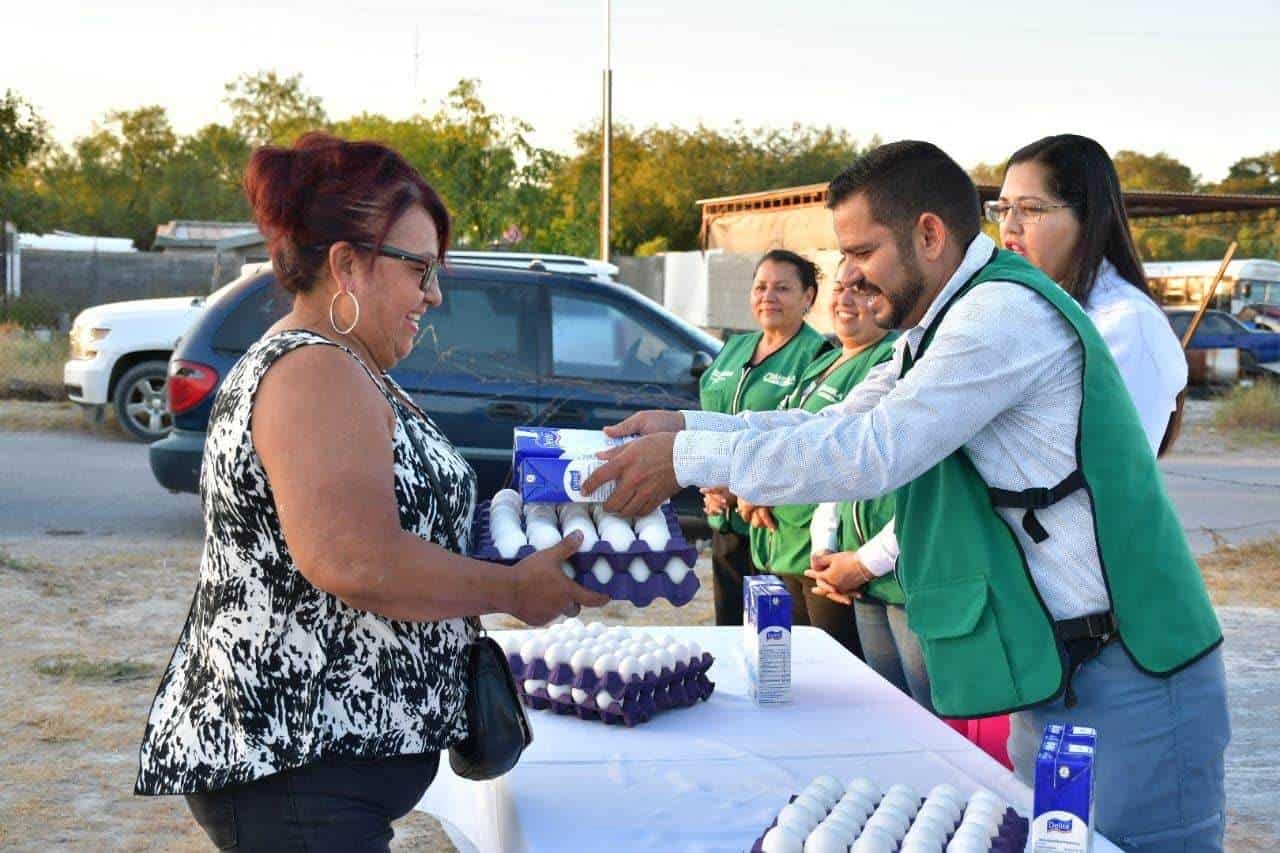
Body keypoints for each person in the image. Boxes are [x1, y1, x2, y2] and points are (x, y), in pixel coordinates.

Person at [585, 141, 1229, 851]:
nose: (849, 274)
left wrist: (684, 459)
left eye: (862, 250)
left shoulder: (998, 318)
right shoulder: (941, 322)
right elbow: (836, 422)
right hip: (1063, 667)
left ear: (929, 234)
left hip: (1135, 669)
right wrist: (688, 427)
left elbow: (875, 451)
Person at [134, 133, 607, 851]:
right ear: (346, 264)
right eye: (420, 269)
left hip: (314, 772)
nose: (434, 293)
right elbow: (357, 561)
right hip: (295, 770)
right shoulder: (313, 371)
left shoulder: (340, 364)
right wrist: (511, 589)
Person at [812, 133, 1193, 713]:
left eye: (1033, 209)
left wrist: (869, 560)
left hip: (1115, 637)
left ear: (1089, 217)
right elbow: (868, 427)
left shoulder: (1125, 327)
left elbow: (1106, 494)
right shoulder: (998, 313)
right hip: (1027, 623)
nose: (1009, 227)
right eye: (1002, 208)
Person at [745, 264, 896, 657]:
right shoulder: (824, 363)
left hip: (849, 560)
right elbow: (804, 428)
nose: (845, 300)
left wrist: (758, 478)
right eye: (841, 287)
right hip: (805, 547)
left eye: (861, 289)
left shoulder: (885, 362)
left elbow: (840, 452)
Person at [697, 249, 830, 626]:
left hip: (774, 524)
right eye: (760, 287)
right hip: (724, 519)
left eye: (782, 288)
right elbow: (709, 420)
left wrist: (739, 484)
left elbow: (802, 436)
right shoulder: (735, 348)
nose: (768, 297)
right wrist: (711, 481)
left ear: (808, 297)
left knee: (771, 639)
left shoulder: (817, 355)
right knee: (729, 629)